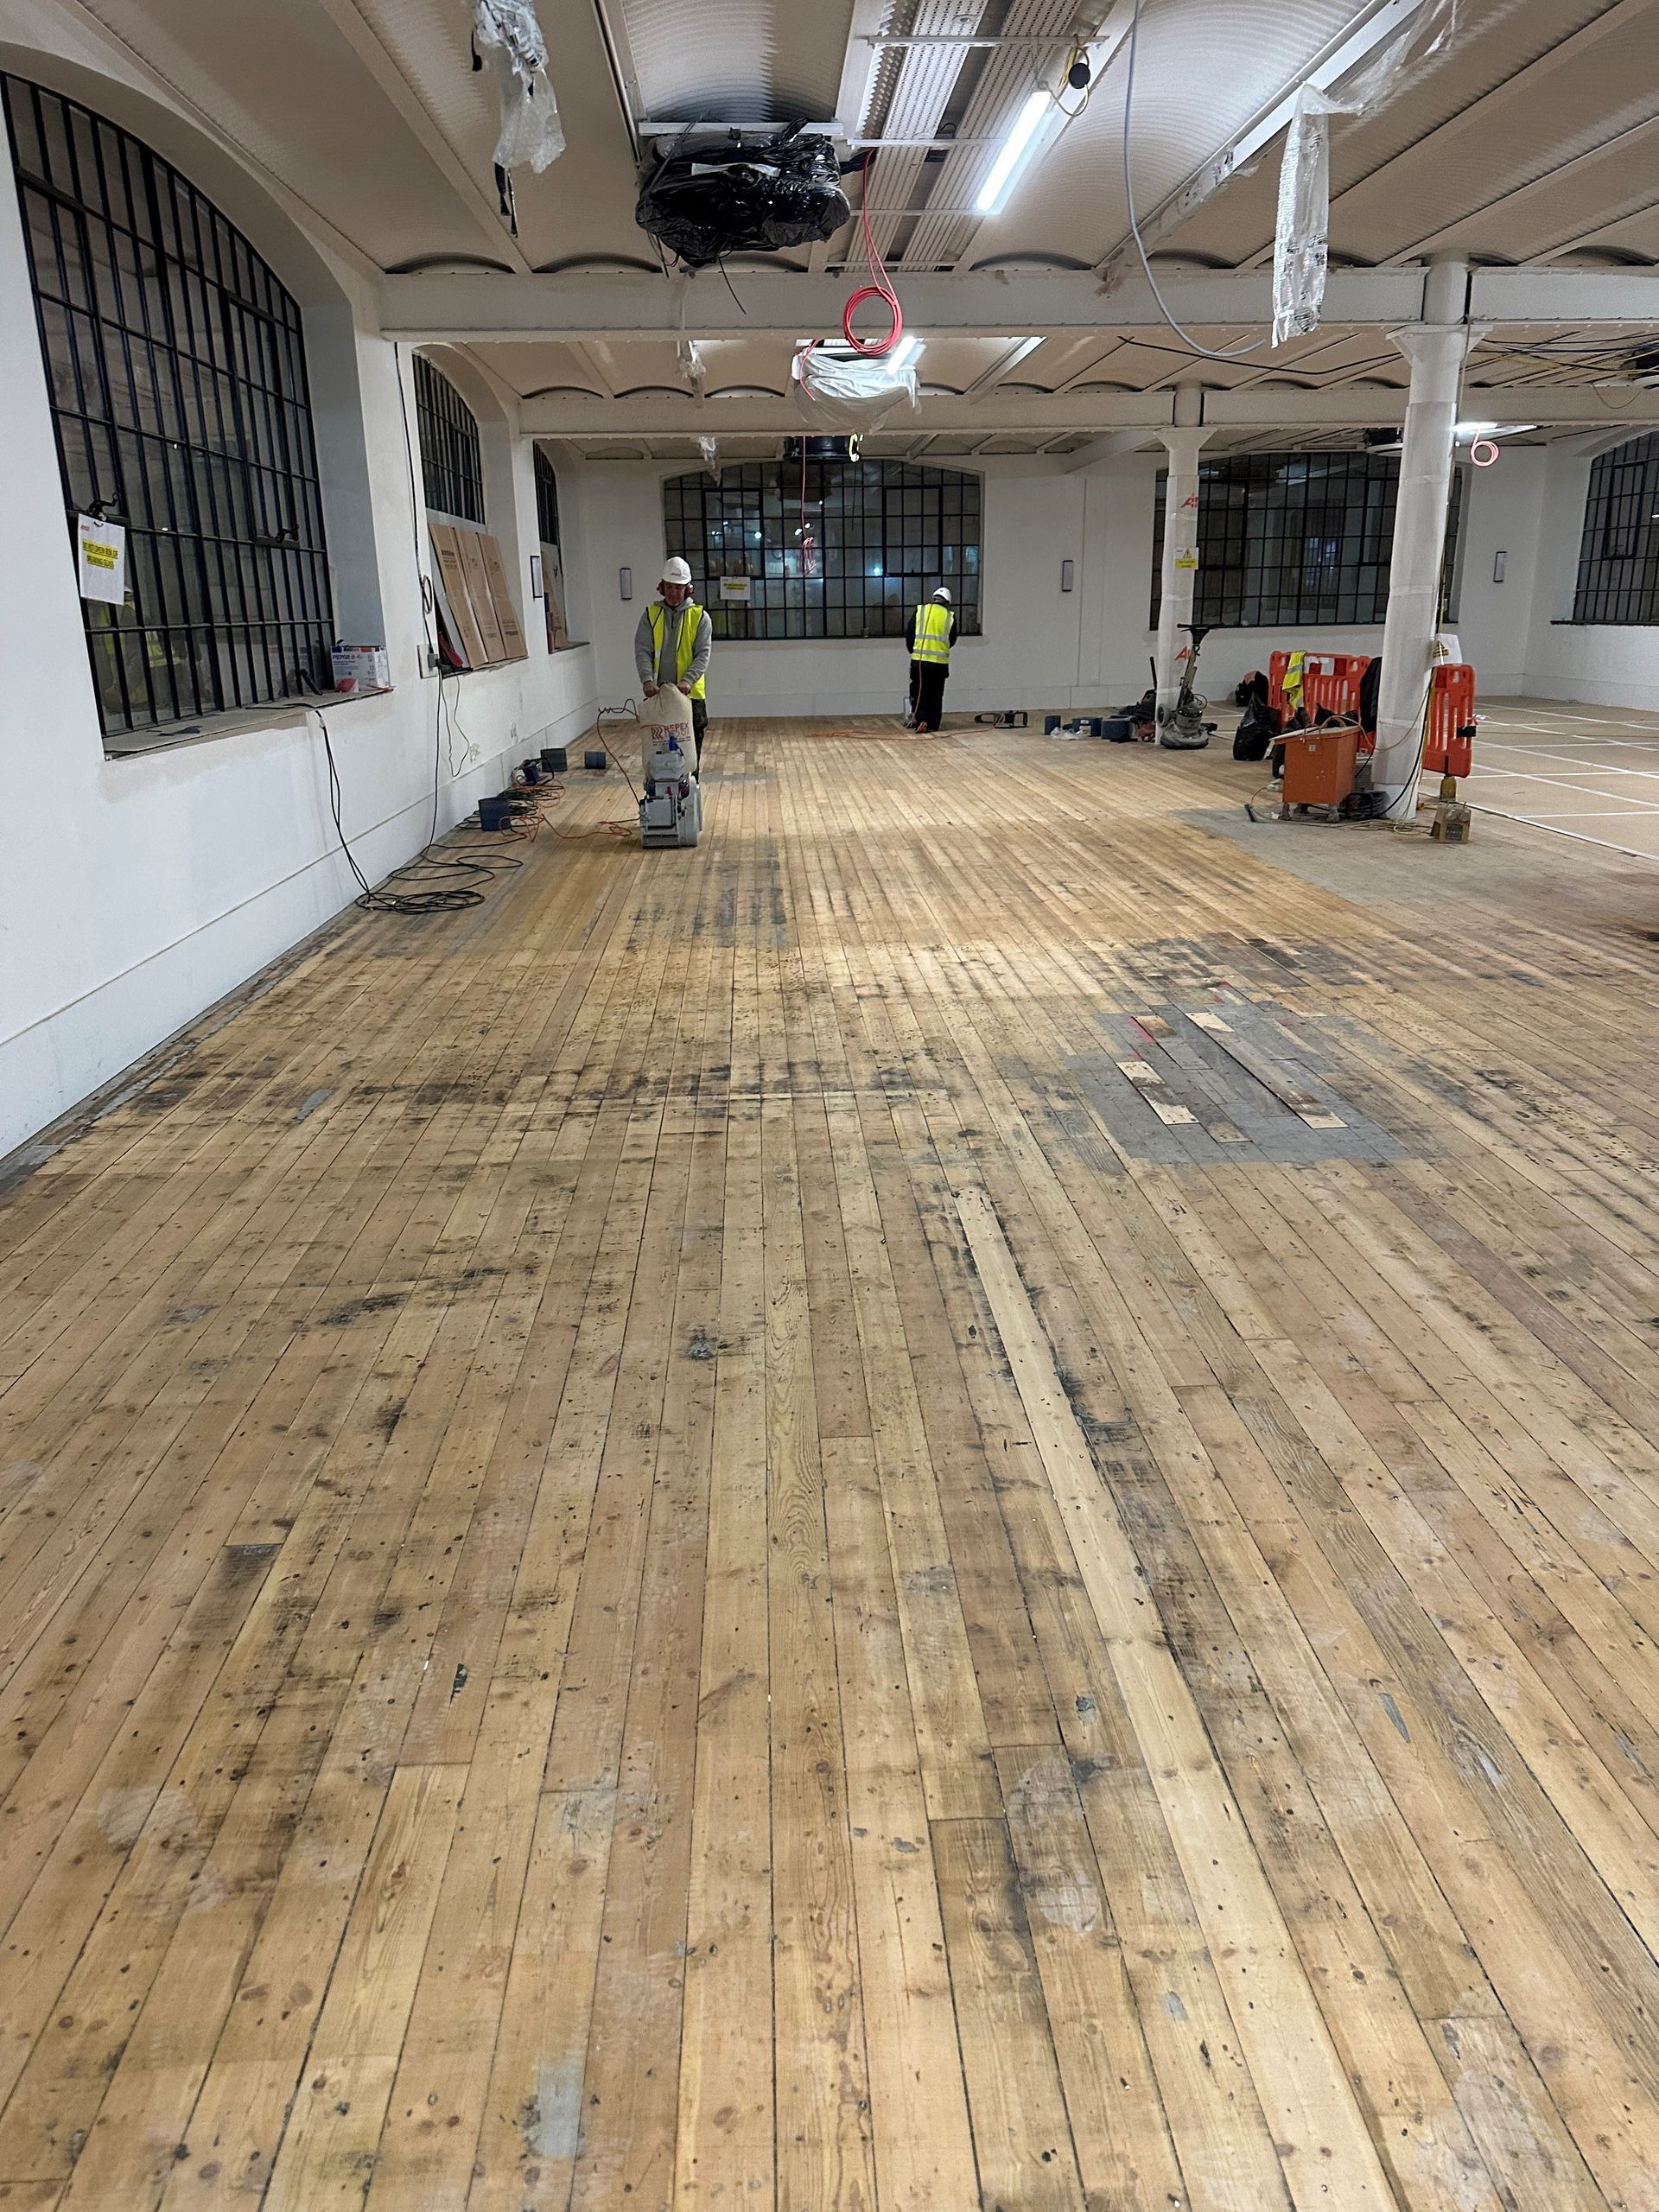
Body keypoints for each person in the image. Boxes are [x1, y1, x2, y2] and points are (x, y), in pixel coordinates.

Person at [635, 556, 712, 772]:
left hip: (691, 699)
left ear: (688, 589)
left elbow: (702, 654)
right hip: (658, 696)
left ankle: (690, 798)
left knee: (688, 762)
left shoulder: (700, 617)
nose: (673, 592)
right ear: (662, 587)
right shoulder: (650, 615)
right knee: (657, 761)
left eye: (679, 587)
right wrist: (647, 679)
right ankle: (658, 799)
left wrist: (687, 680)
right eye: (669, 586)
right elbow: (642, 649)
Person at [906, 586, 957, 732]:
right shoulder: (949, 616)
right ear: (947, 602)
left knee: (918, 692)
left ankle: (920, 720)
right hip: (939, 665)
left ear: (934, 598)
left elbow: (910, 633)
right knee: (936, 695)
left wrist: (913, 651)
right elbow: (952, 639)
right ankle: (933, 724)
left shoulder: (921, 611)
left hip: (920, 662)